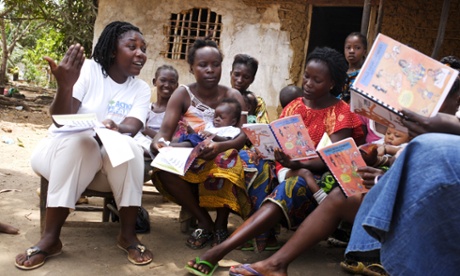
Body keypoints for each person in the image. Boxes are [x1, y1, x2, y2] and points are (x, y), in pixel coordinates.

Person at [186, 47, 364, 276]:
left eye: (316, 80)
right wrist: (267, 148)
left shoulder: (342, 113)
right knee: (242, 160)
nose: (308, 83)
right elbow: (280, 138)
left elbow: (331, 160)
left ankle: (220, 250)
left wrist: (297, 165)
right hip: (286, 167)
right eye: (306, 76)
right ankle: (262, 235)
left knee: (292, 185)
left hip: (317, 178)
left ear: (331, 84)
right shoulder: (295, 105)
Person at [15, 21, 154, 270]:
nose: (140, 53)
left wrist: (116, 128)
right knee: (83, 142)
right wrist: (65, 85)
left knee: (131, 148)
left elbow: (132, 126)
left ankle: (128, 235)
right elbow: (61, 119)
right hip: (60, 157)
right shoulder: (89, 70)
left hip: (104, 172)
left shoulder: (141, 88)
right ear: (113, 50)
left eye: (143, 48)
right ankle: (50, 239)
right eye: (132, 46)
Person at [150, 38, 250, 250]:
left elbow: (243, 136)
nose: (210, 70)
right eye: (203, 65)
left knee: (228, 161)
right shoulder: (182, 94)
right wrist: (159, 143)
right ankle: (205, 222)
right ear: (192, 67)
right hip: (191, 156)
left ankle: (221, 224)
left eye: (215, 64)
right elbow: (164, 132)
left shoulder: (233, 96)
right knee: (162, 166)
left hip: (223, 153)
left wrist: (219, 147)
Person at [134, 64, 179, 157]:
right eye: (163, 80)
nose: (167, 85)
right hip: (141, 146)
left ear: (176, 86)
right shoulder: (146, 108)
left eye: (172, 82)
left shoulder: (176, 112)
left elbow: (171, 139)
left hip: (162, 150)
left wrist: (146, 130)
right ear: (155, 82)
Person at [174, 98, 242, 147]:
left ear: (233, 121)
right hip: (199, 142)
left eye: (221, 117)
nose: (217, 119)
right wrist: (190, 129)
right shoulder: (210, 125)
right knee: (185, 137)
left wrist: (212, 135)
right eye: (215, 116)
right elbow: (198, 136)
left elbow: (226, 140)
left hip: (208, 147)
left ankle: (171, 146)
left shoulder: (231, 129)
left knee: (192, 141)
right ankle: (167, 143)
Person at [230, 54, 270, 123]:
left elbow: (263, 128)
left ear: (252, 80)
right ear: (231, 74)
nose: (239, 80)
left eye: (246, 77)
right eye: (236, 75)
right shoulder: (220, 97)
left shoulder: (257, 102)